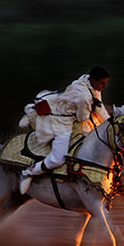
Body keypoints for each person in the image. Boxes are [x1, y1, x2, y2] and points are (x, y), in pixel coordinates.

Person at [19, 65, 111, 194]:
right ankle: (29, 172)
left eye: (105, 83)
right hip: (61, 121)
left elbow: (99, 107)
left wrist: (110, 123)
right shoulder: (83, 97)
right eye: (102, 84)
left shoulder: (88, 81)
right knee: (58, 159)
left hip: (64, 108)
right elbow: (81, 117)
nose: (104, 87)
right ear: (94, 81)